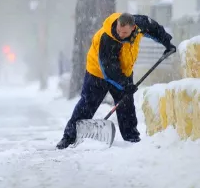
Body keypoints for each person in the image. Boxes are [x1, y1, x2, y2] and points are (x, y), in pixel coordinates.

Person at [56, 12, 176, 150]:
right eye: (119, 30)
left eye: (124, 32)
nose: (120, 34)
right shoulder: (108, 37)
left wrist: (166, 42)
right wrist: (125, 85)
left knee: (126, 106)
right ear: (117, 24)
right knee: (87, 105)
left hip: (123, 72)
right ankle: (68, 138)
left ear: (133, 28)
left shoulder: (140, 24)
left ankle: (132, 139)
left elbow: (154, 28)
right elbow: (109, 69)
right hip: (98, 73)